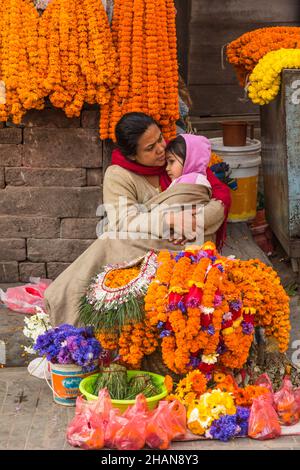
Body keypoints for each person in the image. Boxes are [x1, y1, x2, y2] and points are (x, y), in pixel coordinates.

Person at [44, 112, 230, 326]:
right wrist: (169, 220)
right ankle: (67, 309)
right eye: (150, 148)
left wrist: (193, 222)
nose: (161, 149)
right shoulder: (119, 176)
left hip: (188, 243)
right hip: (143, 246)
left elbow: (218, 198)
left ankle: (64, 304)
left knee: (110, 242)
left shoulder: (181, 158)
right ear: (132, 156)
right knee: (111, 240)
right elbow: (124, 221)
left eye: (160, 138)